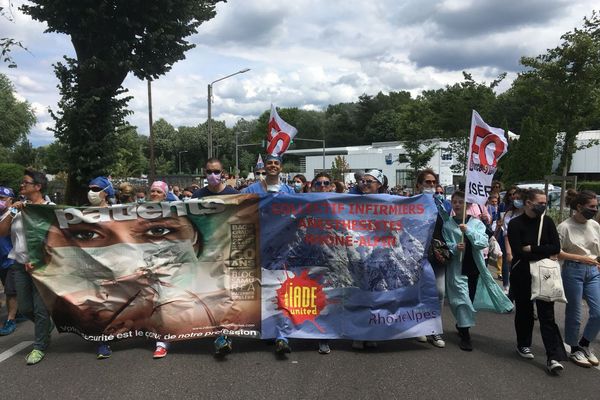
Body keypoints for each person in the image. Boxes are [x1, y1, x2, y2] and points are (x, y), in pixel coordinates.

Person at [441, 191, 512, 351]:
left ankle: (461, 325)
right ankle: (466, 336)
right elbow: (446, 245)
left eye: (461, 202)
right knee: (461, 300)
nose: (458, 205)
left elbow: (482, 243)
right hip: (457, 268)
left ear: (468, 205)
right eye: (455, 202)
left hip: (473, 268)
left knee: (469, 300)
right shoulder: (448, 225)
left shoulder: (476, 223)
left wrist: (469, 232)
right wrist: (454, 247)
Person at [508, 188, 567, 375]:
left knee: (546, 314)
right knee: (524, 311)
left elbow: (555, 247)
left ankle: (553, 356)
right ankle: (523, 344)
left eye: (545, 202)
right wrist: (541, 250)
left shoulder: (547, 221)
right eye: (540, 203)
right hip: (522, 274)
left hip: (544, 275)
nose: (544, 205)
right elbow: (517, 250)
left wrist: (531, 248)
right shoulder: (515, 223)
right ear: (528, 203)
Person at [0, 169, 54, 365]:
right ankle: (45, 325)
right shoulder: (16, 209)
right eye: (21, 183)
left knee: (40, 309)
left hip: (42, 266)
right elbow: (2, 232)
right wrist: (12, 210)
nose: (21, 186)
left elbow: (57, 237)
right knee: (24, 307)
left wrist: (39, 256)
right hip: (18, 264)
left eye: (25, 183)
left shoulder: (49, 208)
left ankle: (39, 345)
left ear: (37, 187)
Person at [242, 154, 294, 355]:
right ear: (265, 166)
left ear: (281, 167)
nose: (273, 166)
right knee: (260, 289)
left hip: (281, 248)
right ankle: (265, 328)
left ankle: (282, 334)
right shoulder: (250, 190)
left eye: (276, 163)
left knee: (281, 288)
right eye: (269, 163)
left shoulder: (290, 191)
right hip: (257, 245)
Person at [192, 158, 240, 356]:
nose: (213, 175)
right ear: (204, 173)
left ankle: (223, 335)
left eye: (216, 171)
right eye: (209, 171)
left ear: (223, 173)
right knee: (211, 294)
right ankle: (219, 333)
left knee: (227, 293)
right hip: (207, 254)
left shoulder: (235, 195)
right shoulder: (197, 196)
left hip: (230, 252)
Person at [557, 189, 600, 368]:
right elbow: (557, 252)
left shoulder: (595, 225)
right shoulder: (565, 226)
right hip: (572, 270)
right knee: (574, 312)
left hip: (593, 271)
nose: (595, 210)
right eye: (591, 207)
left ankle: (584, 343)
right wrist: (580, 258)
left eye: (596, 207)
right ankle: (574, 347)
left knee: (598, 312)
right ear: (579, 206)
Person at [351, 169, 384, 350]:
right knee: (359, 295)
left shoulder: (388, 202)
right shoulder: (351, 199)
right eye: (362, 181)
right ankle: (358, 333)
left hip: (378, 256)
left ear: (378, 184)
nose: (364, 184)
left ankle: (372, 333)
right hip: (358, 254)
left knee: (375, 296)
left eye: (369, 181)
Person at [414, 168, 446, 348]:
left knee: (439, 292)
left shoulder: (441, 205)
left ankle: (435, 329)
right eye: (428, 182)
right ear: (419, 185)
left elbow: (448, 227)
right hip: (417, 255)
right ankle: (421, 327)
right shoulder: (411, 204)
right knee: (420, 292)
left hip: (437, 254)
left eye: (434, 183)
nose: (432, 186)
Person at [86, 176, 116, 359]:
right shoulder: (80, 214)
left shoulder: (117, 213)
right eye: (90, 188)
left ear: (106, 192)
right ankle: (102, 341)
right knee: (97, 303)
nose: (92, 192)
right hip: (90, 264)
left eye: (96, 189)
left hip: (114, 264)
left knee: (112, 302)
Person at [0, 187, 18, 336]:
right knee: (8, 289)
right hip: (1, 260)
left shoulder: (15, 214)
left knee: (10, 291)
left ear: (11, 200)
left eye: (2, 198)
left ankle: (11, 319)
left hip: (11, 258)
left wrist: (12, 211)